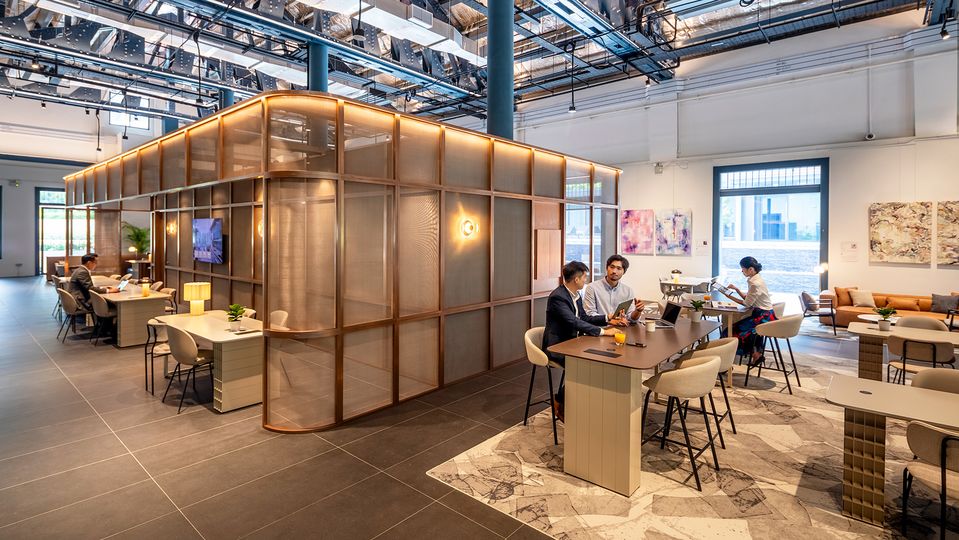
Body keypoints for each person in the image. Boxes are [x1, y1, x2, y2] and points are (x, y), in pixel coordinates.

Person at [542, 261, 627, 422]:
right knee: (586, 366)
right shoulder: (558, 297)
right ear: (576, 279)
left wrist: (607, 318)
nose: (585, 280)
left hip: (573, 343)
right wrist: (604, 332)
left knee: (597, 363)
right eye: (584, 277)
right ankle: (560, 401)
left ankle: (583, 401)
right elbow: (573, 322)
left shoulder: (575, 295)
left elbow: (584, 318)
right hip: (557, 346)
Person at [724, 256, 776, 365]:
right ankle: (756, 354)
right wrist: (737, 290)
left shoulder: (754, 283)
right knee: (743, 330)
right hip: (766, 314)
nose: (741, 271)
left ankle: (726, 361)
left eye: (743, 268)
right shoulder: (757, 279)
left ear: (750, 269)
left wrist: (728, 296)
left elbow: (747, 304)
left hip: (762, 317)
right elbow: (749, 299)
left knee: (730, 331)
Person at [583, 254, 646, 323]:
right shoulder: (592, 288)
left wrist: (638, 311)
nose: (614, 271)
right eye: (612, 267)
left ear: (624, 272)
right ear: (607, 268)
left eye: (619, 268)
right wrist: (610, 320)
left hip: (621, 330)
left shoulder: (628, 291)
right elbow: (589, 315)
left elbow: (631, 318)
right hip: (599, 329)